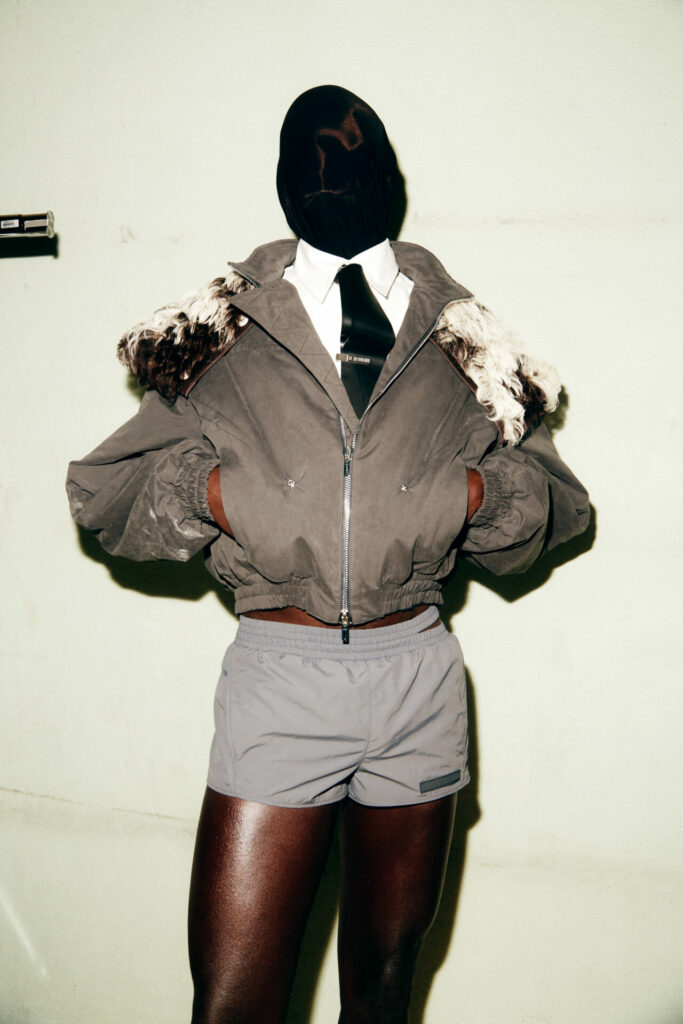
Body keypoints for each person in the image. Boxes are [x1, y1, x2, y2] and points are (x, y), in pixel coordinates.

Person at [66, 85, 590, 1024]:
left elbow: (558, 506)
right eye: (310, 156)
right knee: (233, 1004)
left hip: (417, 677)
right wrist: (216, 493)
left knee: (384, 993)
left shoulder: (463, 335)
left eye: (354, 154)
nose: (332, 170)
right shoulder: (221, 335)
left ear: (391, 177)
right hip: (281, 677)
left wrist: (473, 495)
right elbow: (103, 495)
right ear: (280, 182)